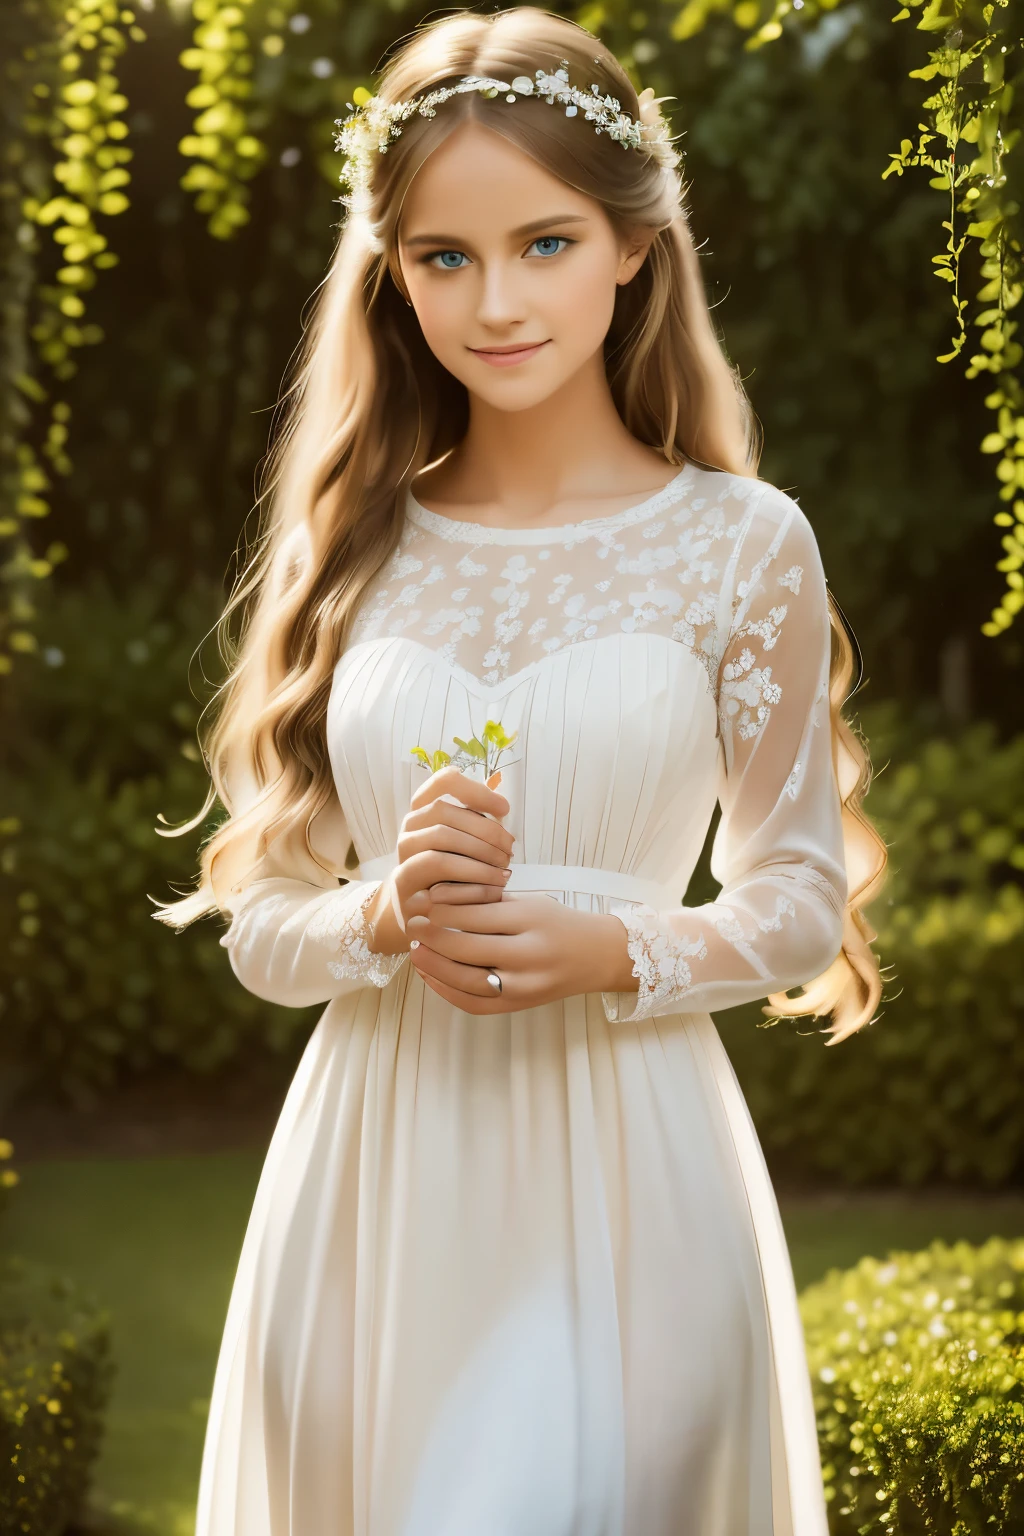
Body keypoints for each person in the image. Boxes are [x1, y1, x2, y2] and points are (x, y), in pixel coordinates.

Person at [155, 9, 887, 1532]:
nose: (495, 302)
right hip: (371, 1184)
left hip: (633, 1167)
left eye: (544, 243)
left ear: (634, 248)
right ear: (392, 271)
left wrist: (612, 941)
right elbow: (261, 930)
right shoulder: (351, 547)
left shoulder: (745, 543)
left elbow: (803, 894)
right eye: (443, 257)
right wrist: (377, 916)